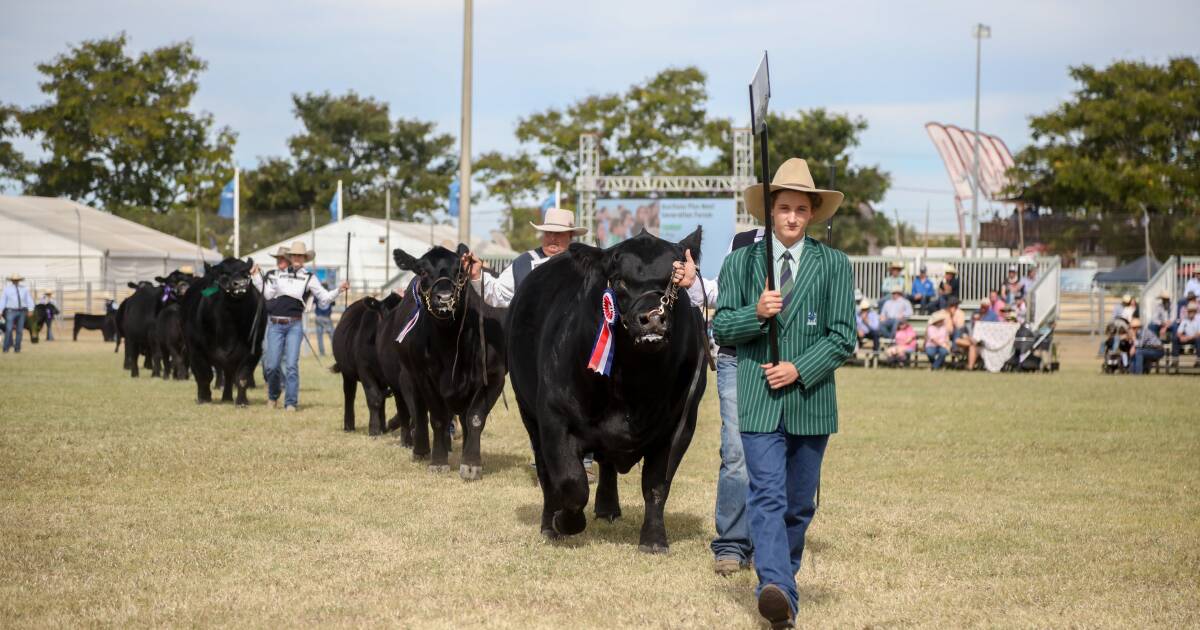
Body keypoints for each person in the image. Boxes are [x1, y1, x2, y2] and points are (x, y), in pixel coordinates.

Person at [712, 157, 854, 628]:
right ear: (769, 212)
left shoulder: (834, 265)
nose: (791, 217)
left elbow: (843, 337)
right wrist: (756, 314)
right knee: (767, 496)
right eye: (783, 208)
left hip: (812, 404)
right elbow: (721, 326)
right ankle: (774, 589)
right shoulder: (740, 262)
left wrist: (798, 368)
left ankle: (783, 581)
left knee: (798, 504)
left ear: (811, 213)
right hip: (757, 400)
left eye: (800, 209)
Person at [251, 241, 347, 411]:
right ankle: (273, 396)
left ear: (304, 259)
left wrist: (339, 289)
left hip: (294, 325)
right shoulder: (278, 275)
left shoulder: (309, 278)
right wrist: (256, 276)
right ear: (290, 257)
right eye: (294, 255)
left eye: (300, 256)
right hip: (275, 324)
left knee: (291, 366)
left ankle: (290, 402)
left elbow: (324, 298)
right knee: (271, 365)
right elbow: (266, 294)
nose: (297, 258)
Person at [1, 273, 34, 353]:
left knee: (19, 330)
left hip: (22, 311)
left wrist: (30, 309)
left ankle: (17, 348)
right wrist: (0, 311)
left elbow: (28, 299)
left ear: (19, 280)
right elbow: (3, 301)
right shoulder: (7, 289)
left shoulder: (24, 289)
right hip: (10, 311)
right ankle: (6, 348)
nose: (15, 281)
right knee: (8, 329)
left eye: (17, 280)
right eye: (14, 280)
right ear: (12, 281)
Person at [1173, 301, 1200, 366]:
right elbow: (1179, 332)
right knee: (1175, 338)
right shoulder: (1185, 320)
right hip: (1186, 338)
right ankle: (1175, 360)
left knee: (1198, 339)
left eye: (1192, 311)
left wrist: (1187, 338)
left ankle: (1198, 360)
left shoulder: (1198, 319)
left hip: (1194, 338)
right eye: (1189, 311)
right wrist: (1181, 337)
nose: (1190, 313)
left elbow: (1198, 333)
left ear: (1195, 312)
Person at [313, 284, 335, 356]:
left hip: (318, 318)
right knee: (332, 336)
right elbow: (333, 303)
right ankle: (334, 352)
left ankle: (322, 353)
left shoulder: (317, 296)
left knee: (320, 337)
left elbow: (313, 301)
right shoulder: (329, 296)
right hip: (327, 318)